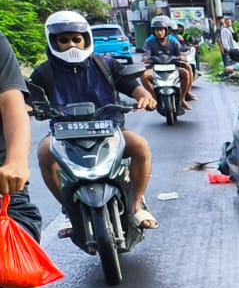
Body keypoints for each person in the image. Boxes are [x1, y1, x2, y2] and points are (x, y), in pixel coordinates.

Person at [0, 25, 109, 288]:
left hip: (2, 187)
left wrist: (15, 160)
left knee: (16, 276)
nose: (70, 45)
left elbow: (12, 103)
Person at [28, 12, 161, 236]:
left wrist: (144, 97)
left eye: (76, 39)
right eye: (64, 40)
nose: (71, 44)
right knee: (43, 152)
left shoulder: (105, 64)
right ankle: (69, 210)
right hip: (64, 134)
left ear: (86, 39)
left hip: (109, 129)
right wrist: (28, 107)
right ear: (53, 41)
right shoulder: (44, 72)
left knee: (140, 146)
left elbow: (132, 86)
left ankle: (137, 205)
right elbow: (31, 100)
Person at [140, 15, 195, 107]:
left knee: (186, 72)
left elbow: (180, 52)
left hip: (173, 68)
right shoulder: (149, 42)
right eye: (157, 30)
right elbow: (146, 53)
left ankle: (183, 98)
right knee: (143, 76)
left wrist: (182, 57)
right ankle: (154, 97)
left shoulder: (173, 41)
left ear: (166, 30)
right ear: (153, 31)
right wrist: (146, 58)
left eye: (161, 30)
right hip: (155, 69)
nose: (159, 33)